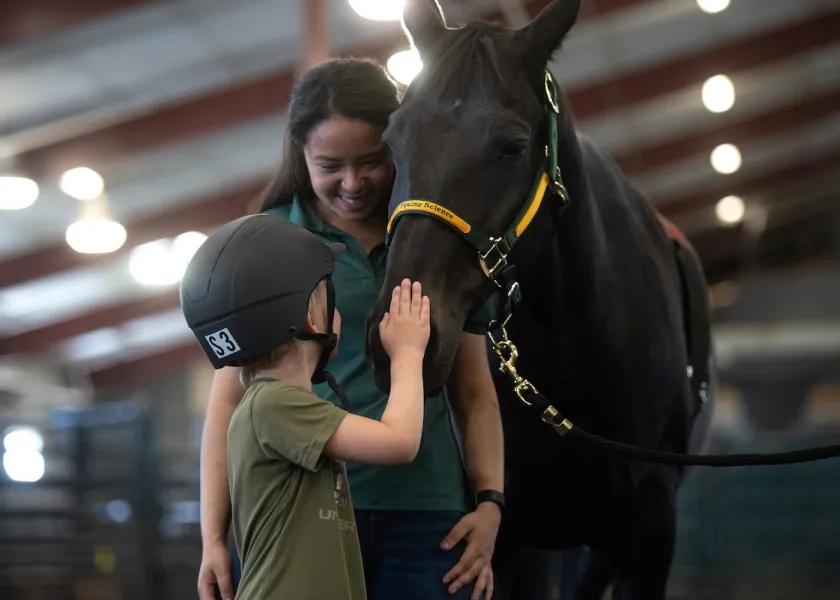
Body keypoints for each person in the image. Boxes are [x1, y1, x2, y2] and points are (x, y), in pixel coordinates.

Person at [197, 58, 505, 600]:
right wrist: (213, 536)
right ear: (301, 155)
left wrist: (489, 504)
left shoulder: (438, 238)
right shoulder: (265, 244)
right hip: (303, 508)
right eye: (330, 165)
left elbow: (475, 392)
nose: (353, 182)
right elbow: (226, 401)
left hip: (428, 509)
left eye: (371, 160)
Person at [180, 212, 434, 600]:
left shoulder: (274, 404)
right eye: (329, 295)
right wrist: (407, 353)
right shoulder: (274, 405)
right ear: (310, 316)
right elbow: (400, 441)